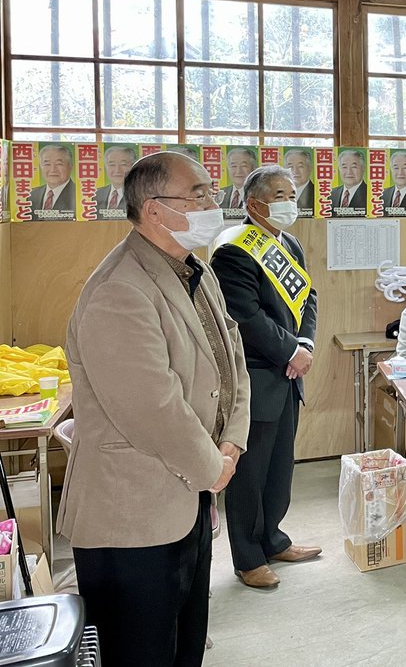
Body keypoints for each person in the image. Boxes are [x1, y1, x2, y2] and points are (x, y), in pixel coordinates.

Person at [59, 151, 251, 666]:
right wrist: (214, 467)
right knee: (140, 652)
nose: (213, 203)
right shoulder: (119, 290)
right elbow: (153, 408)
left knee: (185, 646)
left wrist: (232, 440)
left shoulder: (196, 270)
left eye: (212, 192)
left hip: (191, 497)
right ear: (155, 210)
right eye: (199, 194)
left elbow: (232, 356)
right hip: (131, 518)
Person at [211, 165, 321, 590]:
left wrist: (304, 345)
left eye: (292, 194)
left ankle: (273, 539)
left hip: (290, 373)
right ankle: (248, 558)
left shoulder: (289, 242)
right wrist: (290, 350)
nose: (290, 203)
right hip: (257, 376)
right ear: (255, 204)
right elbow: (245, 315)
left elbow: (308, 296)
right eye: (280, 195)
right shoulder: (233, 249)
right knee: (249, 473)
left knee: (279, 469)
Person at [30, 142, 75, 219]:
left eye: (59, 164)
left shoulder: (80, 195)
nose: (53, 169)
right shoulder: (31, 195)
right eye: (47, 164)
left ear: (70, 167)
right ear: (40, 167)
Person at [95, 144, 136, 218]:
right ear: (106, 167)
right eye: (112, 165)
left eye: (123, 164)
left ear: (133, 167)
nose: (117, 170)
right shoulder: (96, 194)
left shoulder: (138, 195)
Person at [218, 147, 258, 211]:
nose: (238, 171)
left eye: (244, 166)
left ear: (254, 168)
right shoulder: (220, 193)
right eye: (234, 166)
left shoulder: (259, 194)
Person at [331, 148, 367, 214]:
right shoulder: (331, 194)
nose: (349, 172)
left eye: (354, 167)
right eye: (344, 167)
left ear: (363, 168)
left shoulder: (371, 194)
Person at [284, 148, 315, 215]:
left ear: (310, 168)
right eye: (290, 167)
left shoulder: (317, 193)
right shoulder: (279, 193)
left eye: (300, 166)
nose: (295, 171)